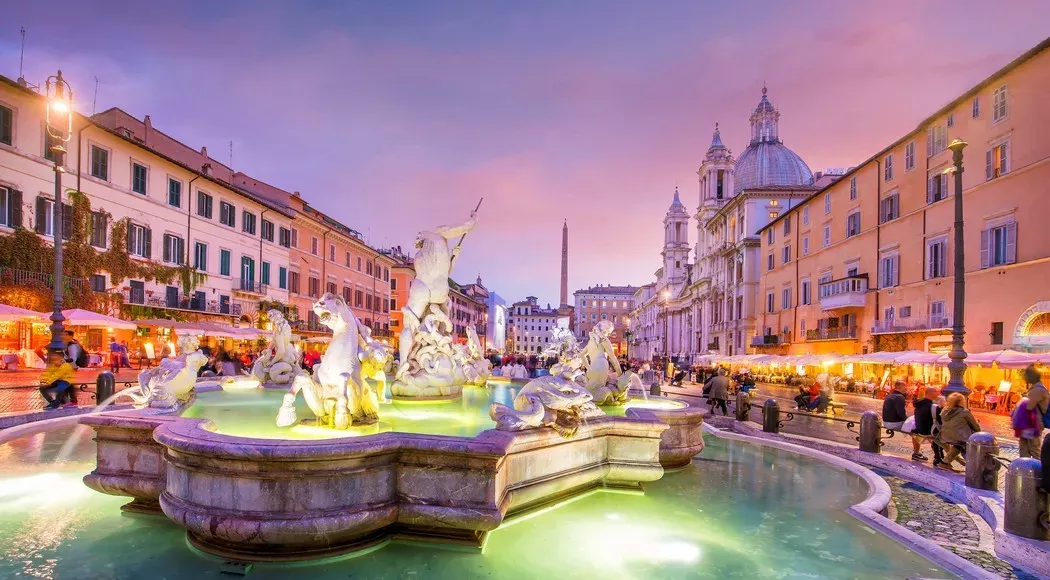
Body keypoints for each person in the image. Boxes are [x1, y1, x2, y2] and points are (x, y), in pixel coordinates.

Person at [937, 392, 981, 471]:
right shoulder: (964, 412)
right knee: (962, 444)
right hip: (960, 437)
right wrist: (979, 432)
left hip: (946, 435)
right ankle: (972, 466)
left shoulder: (944, 411)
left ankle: (945, 463)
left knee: (958, 445)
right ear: (962, 401)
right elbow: (975, 425)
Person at [1020, 365, 1048, 458]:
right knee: (1024, 449)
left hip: (1034, 425)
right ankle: (1025, 470)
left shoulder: (1038, 390)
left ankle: (1037, 471)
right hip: (1028, 424)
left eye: (1026, 375)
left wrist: (1023, 400)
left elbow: (1028, 406)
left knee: (1034, 450)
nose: (1024, 378)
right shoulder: (1036, 388)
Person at [913, 387, 940, 464]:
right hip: (928, 430)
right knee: (942, 434)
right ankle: (939, 458)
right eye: (936, 391)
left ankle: (916, 453)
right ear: (931, 393)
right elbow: (940, 420)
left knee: (914, 432)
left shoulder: (919, 404)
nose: (937, 393)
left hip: (919, 429)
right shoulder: (932, 406)